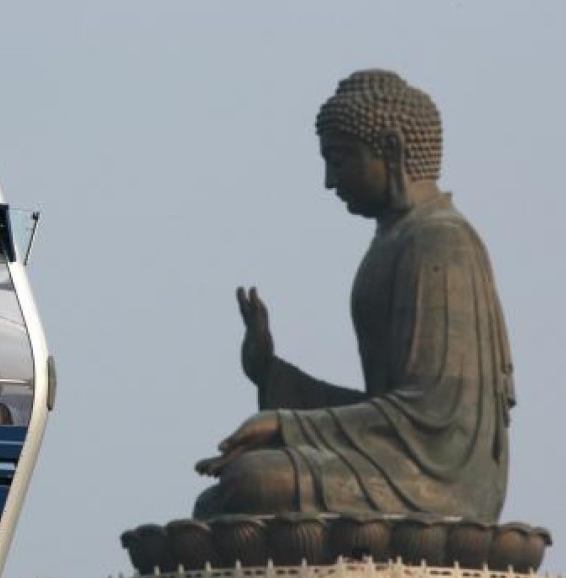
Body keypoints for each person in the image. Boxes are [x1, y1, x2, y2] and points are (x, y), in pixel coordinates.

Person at [194, 70, 514, 523]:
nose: (329, 180)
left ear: (391, 149)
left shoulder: (441, 243)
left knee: (253, 482)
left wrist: (287, 424)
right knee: (220, 501)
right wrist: (271, 374)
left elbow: (433, 419)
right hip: (393, 460)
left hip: (439, 482)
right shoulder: (394, 239)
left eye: (340, 160)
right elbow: (386, 407)